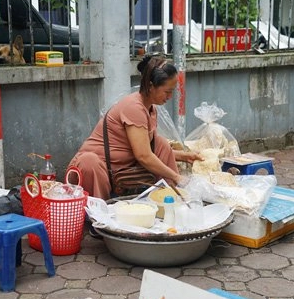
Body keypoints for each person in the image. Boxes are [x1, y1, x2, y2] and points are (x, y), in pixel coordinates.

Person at [68, 55, 202, 199]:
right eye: (167, 91)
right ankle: (96, 215)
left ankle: (169, 199)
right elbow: (143, 155)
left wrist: (185, 156)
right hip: (95, 169)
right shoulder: (133, 107)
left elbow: (148, 148)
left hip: (122, 170)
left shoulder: (151, 109)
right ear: (151, 86)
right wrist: (176, 176)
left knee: (161, 144)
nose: (170, 96)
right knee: (90, 162)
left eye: (172, 91)